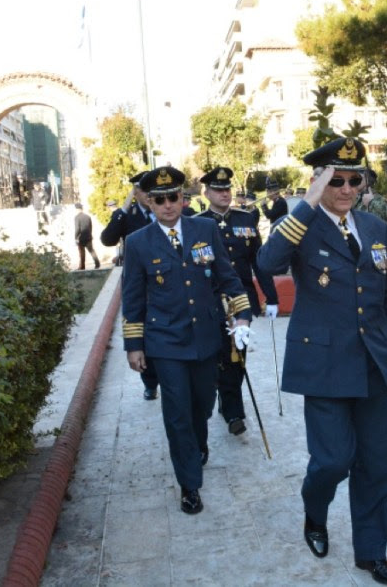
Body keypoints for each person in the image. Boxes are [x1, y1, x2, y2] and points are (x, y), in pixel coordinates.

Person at [257, 136, 387, 586]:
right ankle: (315, 513)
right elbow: (268, 262)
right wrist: (304, 204)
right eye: (336, 180)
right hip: (323, 365)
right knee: (332, 461)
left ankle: (372, 551)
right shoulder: (302, 225)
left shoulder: (376, 227)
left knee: (376, 464)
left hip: (372, 363)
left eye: (354, 180)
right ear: (319, 180)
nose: (346, 189)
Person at [122, 166, 252, 515]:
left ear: (184, 198)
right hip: (165, 341)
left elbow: (228, 277)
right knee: (177, 411)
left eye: (174, 197)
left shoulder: (205, 229)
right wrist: (134, 345)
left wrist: (241, 316)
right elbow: (132, 298)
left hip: (206, 336)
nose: (168, 205)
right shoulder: (137, 243)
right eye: (159, 199)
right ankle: (190, 484)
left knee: (202, 404)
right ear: (149, 202)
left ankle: (199, 441)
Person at [198, 166, 280, 436]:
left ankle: (231, 407)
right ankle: (230, 406)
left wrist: (271, 296)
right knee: (222, 355)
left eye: (227, 189)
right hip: (212, 302)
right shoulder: (197, 223)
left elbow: (260, 261)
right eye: (218, 190)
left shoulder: (246, 219)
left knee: (237, 354)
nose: (224, 194)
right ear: (207, 192)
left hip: (242, 299)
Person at [101, 171, 160, 399]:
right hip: (139, 285)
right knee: (142, 332)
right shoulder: (128, 215)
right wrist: (123, 209)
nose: (149, 195)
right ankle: (150, 381)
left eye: (151, 190)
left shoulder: (166, 210)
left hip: (166, 281)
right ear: (135, 192)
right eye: (143, 190)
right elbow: (108, 240)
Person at [73, 203, 101, 270]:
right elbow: (91, 227)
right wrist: (90, 234)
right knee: (91, 251)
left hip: (81, 238)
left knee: (82, 253)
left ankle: (82, 266)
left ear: (77, 209)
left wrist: (75, 237)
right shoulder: (88, 216)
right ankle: (97, 263)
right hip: (88, 237)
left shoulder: (76, 217)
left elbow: (77, 229)